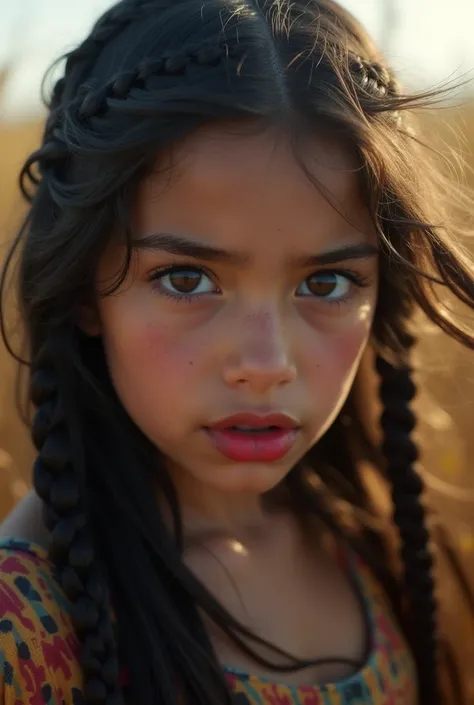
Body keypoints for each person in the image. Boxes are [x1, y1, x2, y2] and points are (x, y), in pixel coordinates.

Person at [0, 0, 473, 703]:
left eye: (328, 281)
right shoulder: (27, 627)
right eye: (187, 279)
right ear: (82, 289)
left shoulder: (373, 540)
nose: (266, 360)